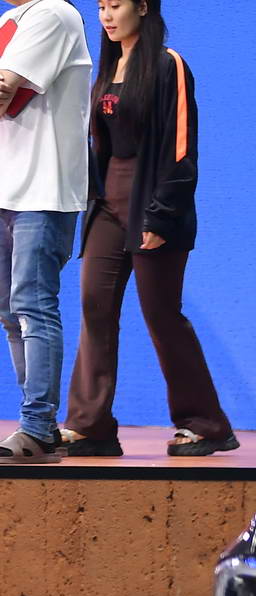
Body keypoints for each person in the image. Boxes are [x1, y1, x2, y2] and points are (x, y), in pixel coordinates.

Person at [61, 0, 234, 457]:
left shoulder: (167, 64)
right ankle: (91, 426)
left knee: (161, 315)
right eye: (101, 6)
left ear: (142, 7)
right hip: (107, 204)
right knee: (95, 307)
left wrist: (161, 215)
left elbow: (181, 146)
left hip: (152, 204)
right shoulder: (108, 68)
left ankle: (207, 424)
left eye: (115, 5)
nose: (106, 15)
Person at [0, 0, 91, 462]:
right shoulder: (8, 21)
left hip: (43, 190)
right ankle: (40, 430)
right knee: (10, 313)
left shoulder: (52, 13)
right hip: (7, 188)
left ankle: (37, 427)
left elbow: (4, 88)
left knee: (33, 307)